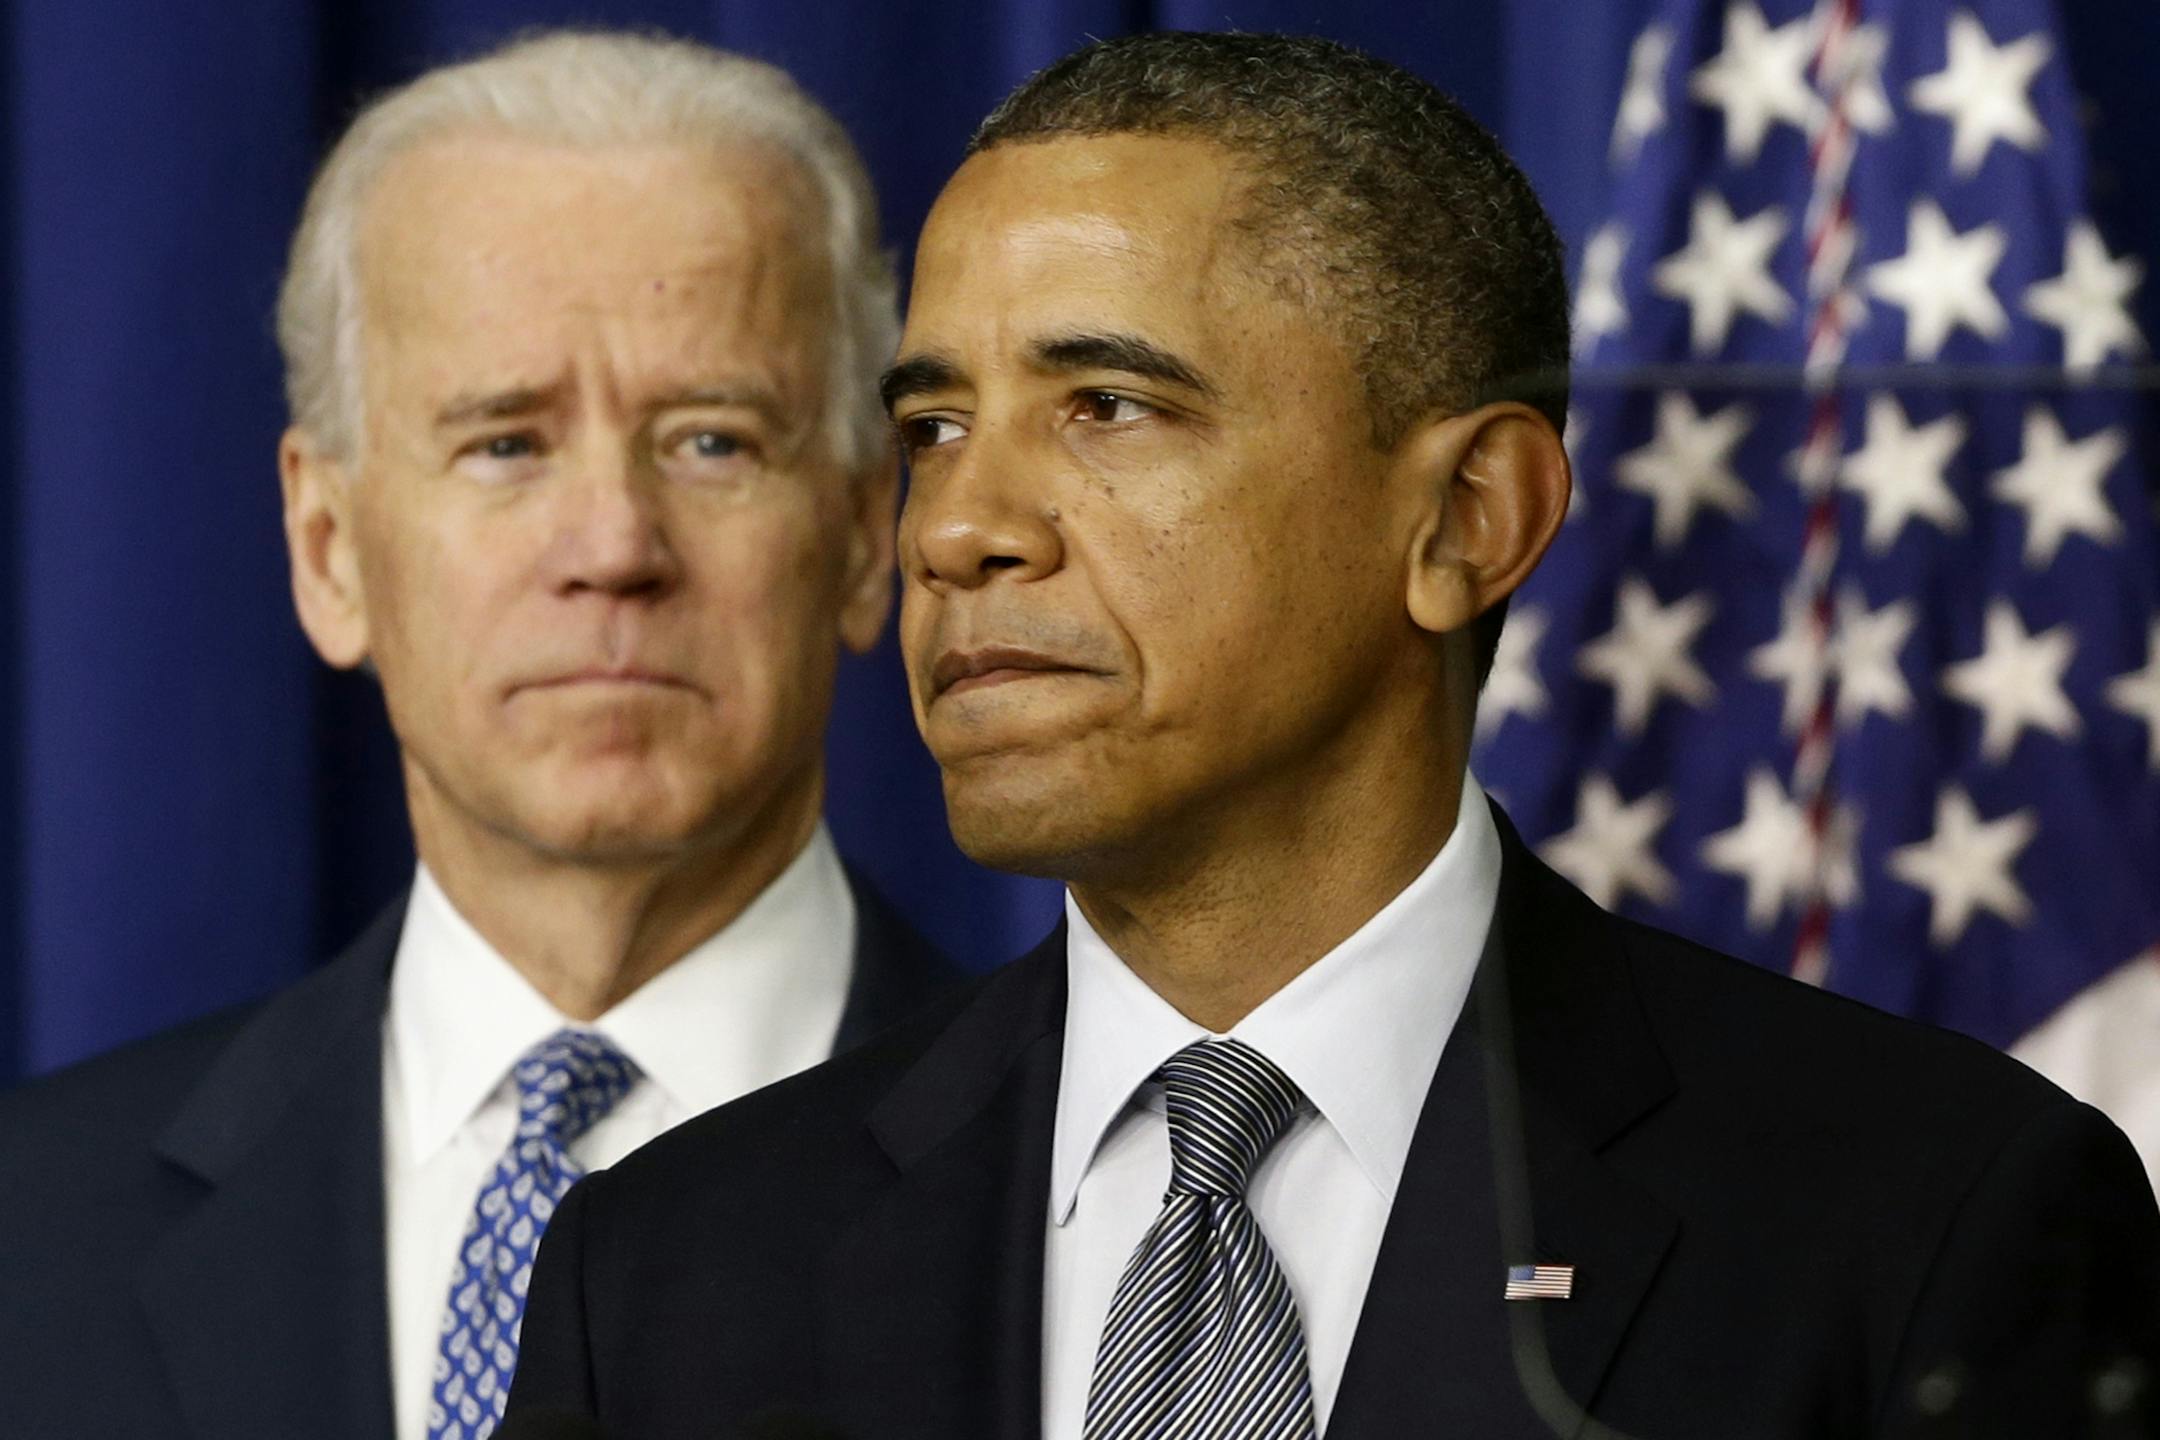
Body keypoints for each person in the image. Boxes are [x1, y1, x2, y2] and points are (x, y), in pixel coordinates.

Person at [507, 31, 2160, 1440]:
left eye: (1110, 406)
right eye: (935, 427)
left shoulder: (1928, 1222)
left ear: (1465, 517)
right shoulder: (662, 1274)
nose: (958, 529)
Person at [0, 30, 958, 1440]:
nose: (614, 547)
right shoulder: (28, 1236)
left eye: (712, 440)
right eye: (506, 443)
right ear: (329, 548)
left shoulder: (1111, 1193)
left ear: (870, 534)